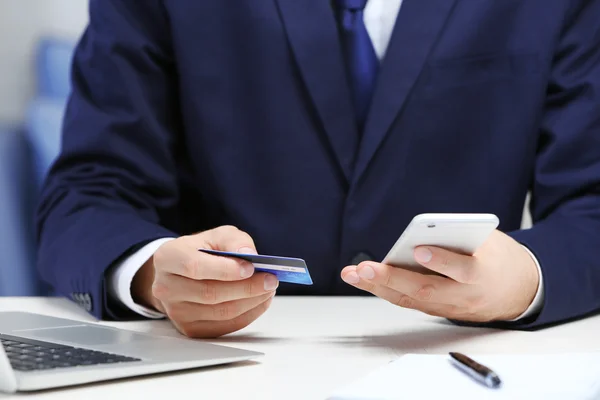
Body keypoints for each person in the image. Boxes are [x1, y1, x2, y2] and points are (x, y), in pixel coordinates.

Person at [36, 0, 600, 338]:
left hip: (459, 360)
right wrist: (151, 276)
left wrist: (525, 279)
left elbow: (591, 205)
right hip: (221, 367)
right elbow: (86, 194)